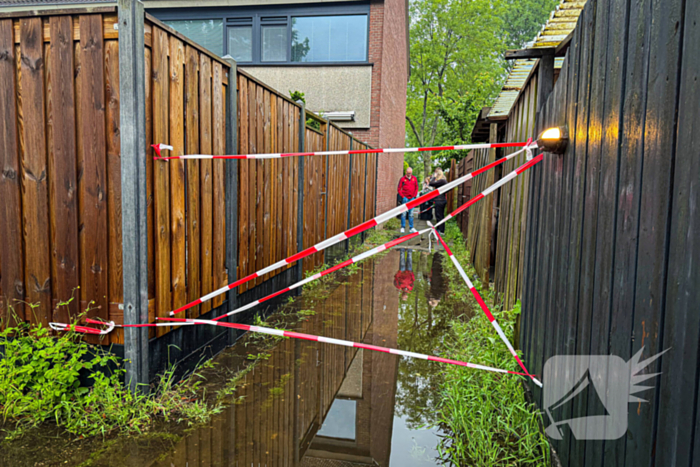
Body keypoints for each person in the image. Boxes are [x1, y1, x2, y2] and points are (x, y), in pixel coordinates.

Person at [397, 167, 419, 233]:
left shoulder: (414, 178)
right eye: (408, 173)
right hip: (405, 198)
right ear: (406, 172)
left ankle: (411, 227)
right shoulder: (402, 179)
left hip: (412, 198)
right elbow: (399, 189)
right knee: (403, 213)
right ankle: (403, 227)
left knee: (411, 214)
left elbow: (416, 187)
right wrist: (403, 196)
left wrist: (415, 196)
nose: (409, 174)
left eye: (410, 173)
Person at [429, 168, 448, 234]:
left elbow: (431, 183)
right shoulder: (443, 181)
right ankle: (439, 229)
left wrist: (434, 177)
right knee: (438, 215)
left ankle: (441, 230)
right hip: (440, 200)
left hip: (440, 201)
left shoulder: (442, 181)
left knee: (439, 216)